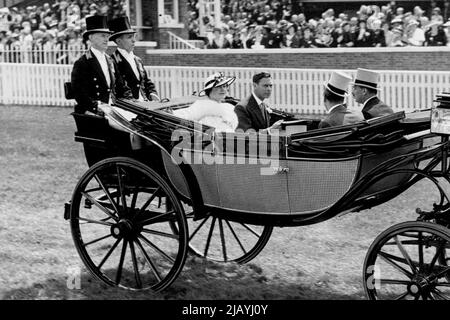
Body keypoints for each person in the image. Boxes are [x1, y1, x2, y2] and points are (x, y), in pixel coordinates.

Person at [70, 15, 131, 114]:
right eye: (102, 36)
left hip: (112, 109)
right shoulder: (83, 63)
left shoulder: (110, 61)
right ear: (91, 38)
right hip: (93, 112)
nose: (106, 39)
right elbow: (79, 93)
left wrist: (130, 101)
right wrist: (96, 108)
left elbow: (121, 87)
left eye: (107, 36)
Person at [108, 16, 159, 102]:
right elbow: (119, 88)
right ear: (118, 41)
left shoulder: (137, 60)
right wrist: (135, 102)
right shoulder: (112, 61)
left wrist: (153, 94)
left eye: (134, 36)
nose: (134, 40)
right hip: (128, 107)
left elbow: (147, 82)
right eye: (129, 37)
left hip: (146, 104)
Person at [173, 72, 238, 132]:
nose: (223, 89)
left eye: (224, 86)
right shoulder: (202, 105)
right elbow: (185, 114)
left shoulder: (229, 107)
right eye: (218, 87)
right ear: (209, 90)